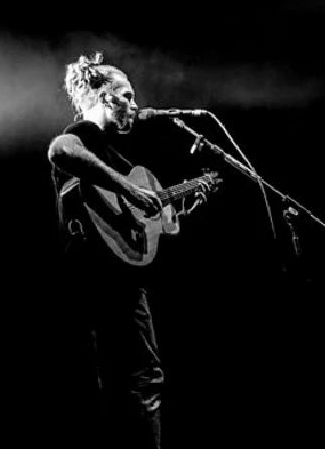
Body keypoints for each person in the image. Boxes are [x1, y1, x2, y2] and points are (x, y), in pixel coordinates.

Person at [47, 52, 206, 448]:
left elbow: (147, 222)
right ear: (102, 95)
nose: (134, 106)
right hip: (106, 277)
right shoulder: (84, 135)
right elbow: (60, 150)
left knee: (119, 382)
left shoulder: (113, 156)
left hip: (113, 273)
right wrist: (130, 189)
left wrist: (174, 211)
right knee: (143, 379)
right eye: (126, 95)